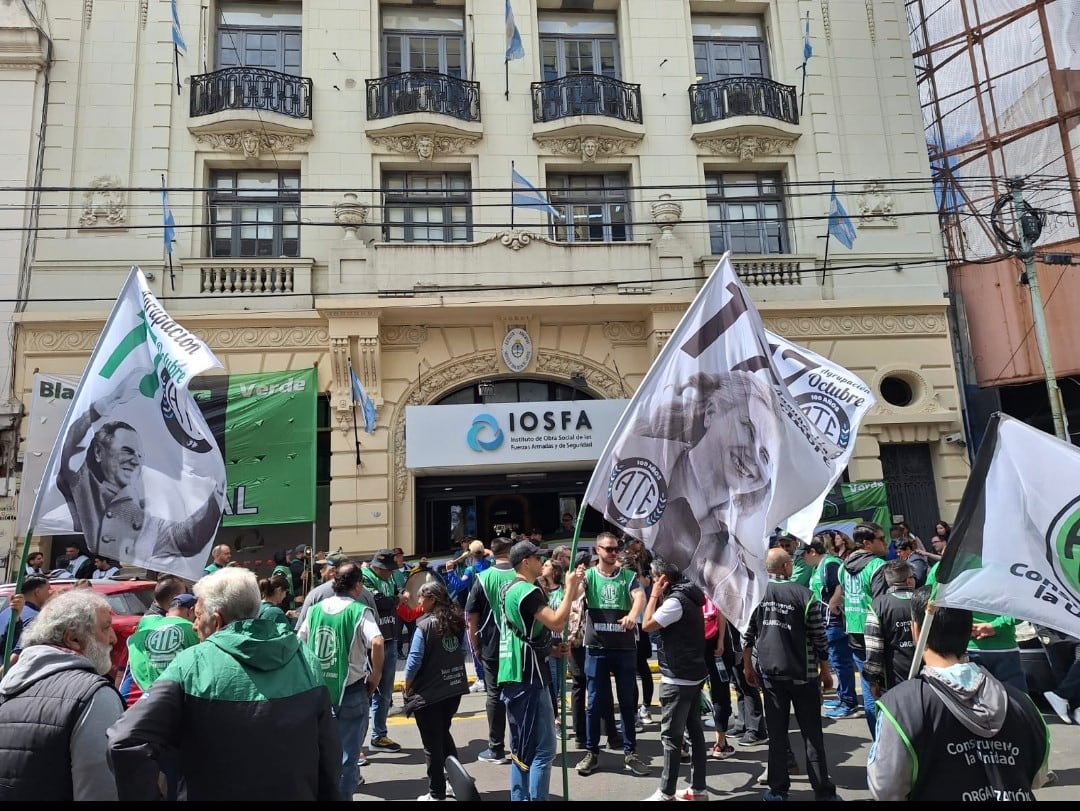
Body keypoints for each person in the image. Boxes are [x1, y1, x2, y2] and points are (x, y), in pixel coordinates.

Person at [109, 567, 343, 801]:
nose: (193, 625)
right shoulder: (304, 658)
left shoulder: (191, 664)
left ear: (217, 620)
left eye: (198, 615)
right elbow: (329, 751)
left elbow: (124, 740)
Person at [868, 586, 1050, 800]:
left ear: (916, 630)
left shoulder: (900, 707)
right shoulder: (1022, 703)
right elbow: (1038, 776)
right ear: (968, 629)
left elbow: (885, 788)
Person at [56, 393, 222, 566]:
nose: (135, 460)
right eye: (127, 451)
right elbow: (70, 444)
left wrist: (217, 494)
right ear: (98, 452)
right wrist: (101, 406)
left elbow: (185, 538)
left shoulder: (139, 514)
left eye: (139, 454)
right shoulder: (83, 484)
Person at [0, 589, 124, 800]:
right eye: (105, 628)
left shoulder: (6, 688)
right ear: (73, 638)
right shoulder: (94, 695)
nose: (113, 638)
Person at [742, 548, 840, 802]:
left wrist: (747, 667)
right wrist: (826, 671)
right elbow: (819, 638)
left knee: (777, 734)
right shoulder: (805, 595)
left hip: (771, 674)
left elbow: (748, 634)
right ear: (786, 567)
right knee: (812, 733)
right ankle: (823, 791)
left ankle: (777, 790)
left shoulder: (757, 594)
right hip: (803, 674)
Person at [497, 540, 581, 801]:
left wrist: (553, 650)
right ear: (525, 562)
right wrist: (570, 589)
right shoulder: (528, 591)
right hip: (529, 675)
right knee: (544, 749)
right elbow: (556, 622)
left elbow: (526, 632)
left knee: (521, 748)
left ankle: (519, 797)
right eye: (537, 558)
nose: (542, 562)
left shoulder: (507, 588)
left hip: (513, 671)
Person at [298, 561, 383, 798]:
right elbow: (377, 641)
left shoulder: (316, 610)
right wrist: (375, 675)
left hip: (319, 692)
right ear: (357, 585)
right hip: (352, 690)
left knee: (320, 752)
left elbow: (300, 641)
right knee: (348, 757)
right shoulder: (358, 610)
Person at [576, 531, 650, 778]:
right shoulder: (587, 577)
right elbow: (573, 597)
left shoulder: (628, 577)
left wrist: (633, 615)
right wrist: (572, 582)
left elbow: (639, 596)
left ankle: (631, 752)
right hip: (596, 648)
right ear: (597, 550)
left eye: (616, 548)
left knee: (627, 702)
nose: (613, 553)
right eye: (608, 549)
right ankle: (592, 752)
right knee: (594, 703)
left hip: (624, 648)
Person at [641, 557, 710, 801]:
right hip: (692, 674)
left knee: (671, 737)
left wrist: (652, 596)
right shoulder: (690, 595)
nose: (650, 580)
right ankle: (698, 789)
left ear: (663, 579)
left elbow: (647, 625)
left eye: (653, 577)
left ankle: (666, 792)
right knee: (694, 731)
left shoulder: (675, 601)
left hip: (678, 676)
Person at [403, 579, 469, 802]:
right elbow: (461, 650)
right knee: (443, 734)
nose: (419, 600)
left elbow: (413, 661)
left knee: (432, 744)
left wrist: (407, 685)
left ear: (432, 598)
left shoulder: (424, 626)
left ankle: (437, 792)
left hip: (429, 693)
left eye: (422, 596)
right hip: (453, 689)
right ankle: (454, 781)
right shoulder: (456, 619)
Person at [362, 548, 423, 754]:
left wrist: (398, 598)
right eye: (388, 569)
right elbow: (379, 602)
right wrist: (398, 599)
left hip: (389, 638)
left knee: (385, 692)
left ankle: (379, 735)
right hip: (369, 643)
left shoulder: (389, 578)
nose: (391, 573)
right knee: (365, 692)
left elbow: (396, 596)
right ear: (378, 567)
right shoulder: (365, 578)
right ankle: (357, 744)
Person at [466, 536, 518, 764]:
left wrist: (474, 645)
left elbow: (471, 617)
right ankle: (520, 745)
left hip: (492, 645)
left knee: (494, 694)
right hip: (519, 643)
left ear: (492, 553)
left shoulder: (483, 578)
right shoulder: (522, 574)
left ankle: (496, 749)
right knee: (519, 692)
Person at [839, 521, 889, 734]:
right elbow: (882, 603)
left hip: (854, 631)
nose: (886, 543)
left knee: (869, 689)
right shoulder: (877, 566)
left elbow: (843, 598)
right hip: (876, 632)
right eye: (881, 539)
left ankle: (877, 740)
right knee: (886, 688)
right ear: (867, 543)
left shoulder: (843, 566)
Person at [811, 532, 858, 721]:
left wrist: (833, 604)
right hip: (827, 620)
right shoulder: (823, 565)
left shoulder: (830, 564)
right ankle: (843, 697)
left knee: (841, 662)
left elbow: (840, 585)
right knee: (838, 661)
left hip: (834, 622)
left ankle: (848, 702)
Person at [124, 592, 199, 702]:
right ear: (191, 611)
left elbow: (127, 671)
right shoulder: (193, 630)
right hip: (178, 699)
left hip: (143, 698)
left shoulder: (142, 632)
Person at [863, 559, 917, 697]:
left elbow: (874, 648)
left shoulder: (878, 605)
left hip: (892, 678)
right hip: (927, 676)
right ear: (909, 581)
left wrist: (872, 679)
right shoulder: (926, 601)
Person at [0, 575, 52, 657]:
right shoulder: (37, 618)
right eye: (49, 589)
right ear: (38, 592)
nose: (51, 593)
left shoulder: (6, 611)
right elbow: (17, 655)